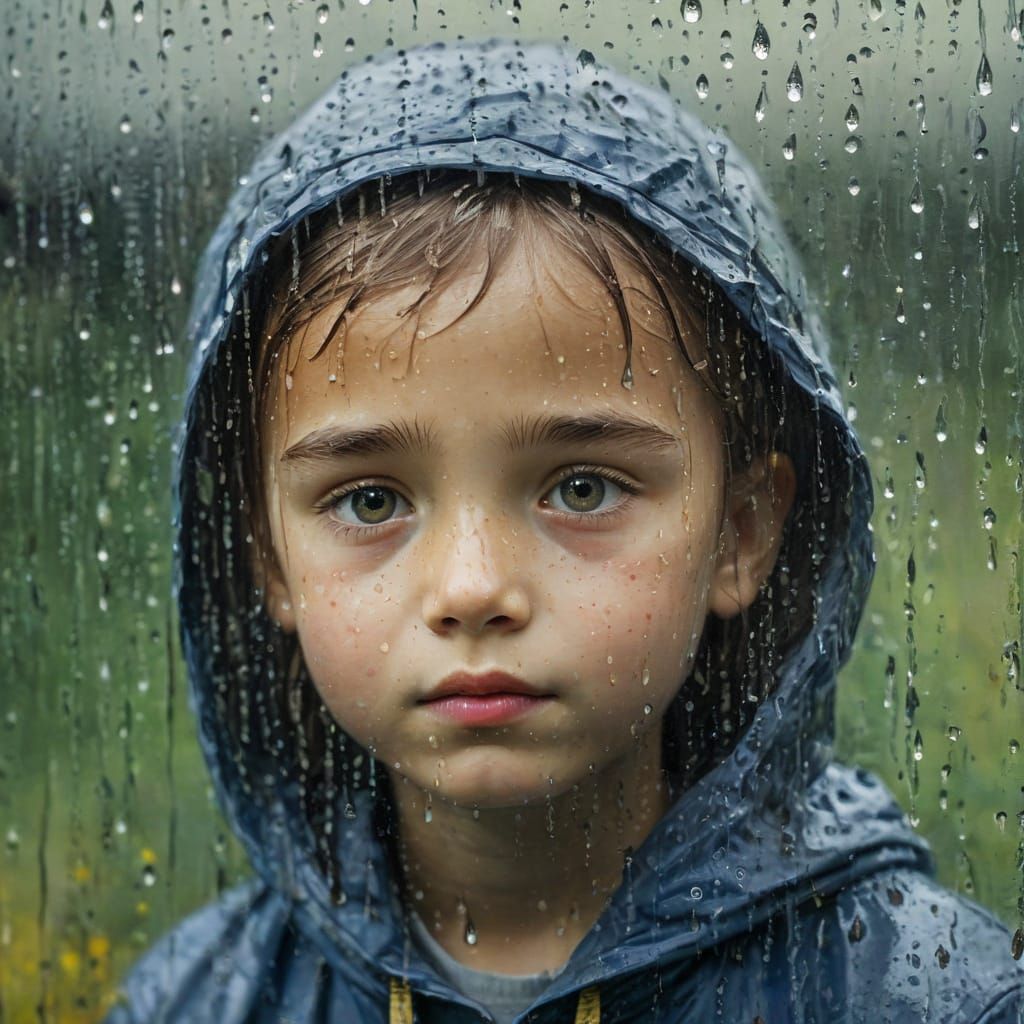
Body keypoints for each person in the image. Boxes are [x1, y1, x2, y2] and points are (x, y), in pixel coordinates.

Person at [103, 38, 1024, 1024]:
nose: (471, 588)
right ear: (270, 560)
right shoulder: (193, 1005)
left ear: (741, 533)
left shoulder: (927, 999)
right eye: (370, 501)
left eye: (581, 488)